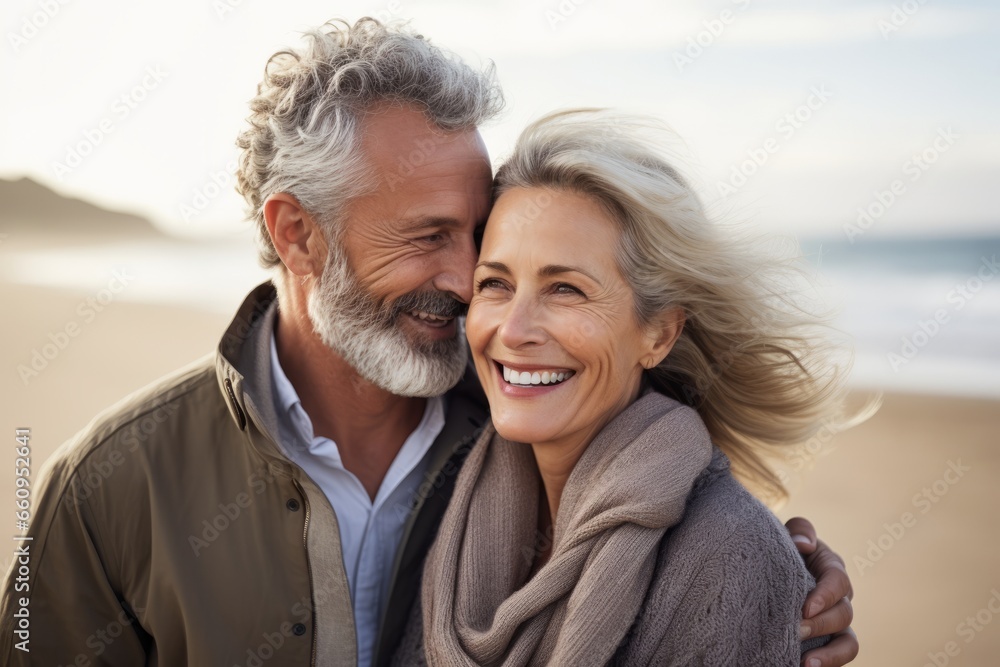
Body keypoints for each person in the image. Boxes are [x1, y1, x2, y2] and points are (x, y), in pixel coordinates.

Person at [0, 19, 856, 667]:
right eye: (427, 236)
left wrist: (780, 587)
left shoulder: (524, 421)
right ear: (298, 233)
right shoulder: (111, 484)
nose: (465, 277)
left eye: (477, 233)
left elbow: (667, 499)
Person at [400, 110, 864, 665]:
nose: (514, 330)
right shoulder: (446, 480)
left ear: (659, 332)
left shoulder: (732, 557)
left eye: (566, 289)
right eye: (495, 283)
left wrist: (767, 581)